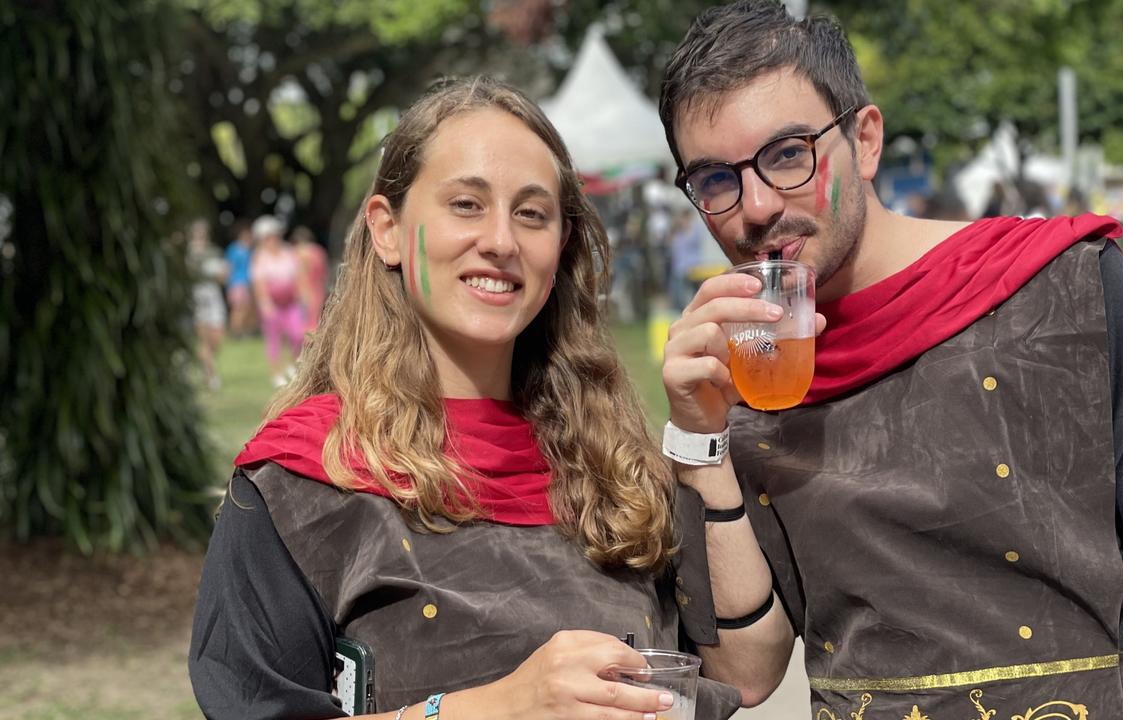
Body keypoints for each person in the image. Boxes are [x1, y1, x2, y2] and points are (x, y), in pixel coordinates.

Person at [655, 3, 1123, 719]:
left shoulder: (1065, 290)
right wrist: (699, 440)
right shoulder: (749, 371)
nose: (754, 206)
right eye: (715, 180)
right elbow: (747, 674)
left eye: (788, 154)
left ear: (866, 139)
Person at [188, 76, 740, 720]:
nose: (502, 241)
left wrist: (704, 436)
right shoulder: (296, 483)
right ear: (387, 230)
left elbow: (735, 676)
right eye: (466, 205)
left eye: (531, 214)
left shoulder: (617, 469)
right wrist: (499, 707)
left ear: (559, 246)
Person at [250, 214, 307, 387]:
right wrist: (266, 304)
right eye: (268, 237)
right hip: (272, 303)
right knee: (274, 339)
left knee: (298, 335)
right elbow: (259, 284)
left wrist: (302, 295)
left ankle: (292, 365)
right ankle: (276, 373)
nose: (272, 240)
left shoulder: (288, 253)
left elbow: (298, 276)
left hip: (290, 302)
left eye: (274, 236)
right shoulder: (260, 257)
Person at [188, 219, 228, 390]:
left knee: (217, 338)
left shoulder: (214, 252)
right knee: (203, 338)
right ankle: (211, 375)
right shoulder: (187, 254)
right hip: (196, 296)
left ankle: (205, 366)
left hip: (213, 295)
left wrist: (221, 272)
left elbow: (223, 277)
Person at [291, 224, 330, 332]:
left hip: (303, 288)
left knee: (304, 319)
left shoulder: (297, 253)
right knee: (317, 318)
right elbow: (324, 272)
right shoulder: (319, 251)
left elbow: (299, 274)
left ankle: (305, 343)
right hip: (318, 288)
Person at [224, 219, 256, 338]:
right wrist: (229, 284)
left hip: (247, 283)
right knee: (238, 309)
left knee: (247, 309)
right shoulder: (234, 249)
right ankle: (235, 333)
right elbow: (229, 267)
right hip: (236, 283)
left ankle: (243, 331)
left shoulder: (249, 250)